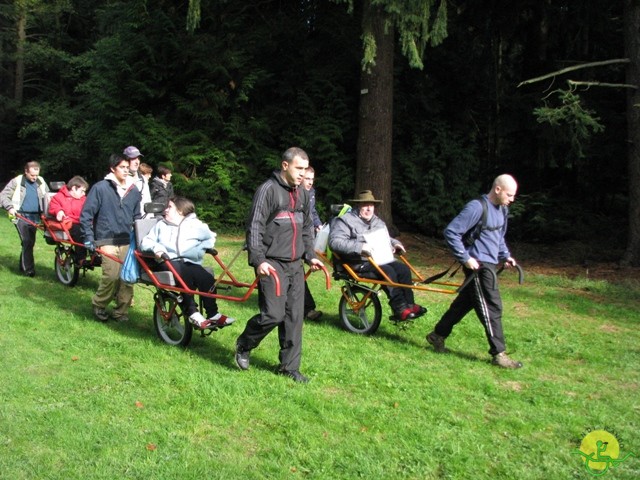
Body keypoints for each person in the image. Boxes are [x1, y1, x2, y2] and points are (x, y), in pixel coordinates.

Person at [234, 147, 323, 383]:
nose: (303, 174)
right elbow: (254, 226)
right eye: (299, 168)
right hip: (271, 263)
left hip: (295, 264)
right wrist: (259, 260)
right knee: (273, 314)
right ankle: (244, 343)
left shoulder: (302, 193)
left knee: (294, 317)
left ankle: (288, 367)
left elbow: (305, 228)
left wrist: (310, 255)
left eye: (306, 169)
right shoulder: (267, 190)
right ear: (285, 166)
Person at [425, 174, 523, 369]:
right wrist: (465, 258)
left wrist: (505, 256)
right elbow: (451, 232)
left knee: (464, 304)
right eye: (509, 195)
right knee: (492, 306)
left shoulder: (502, 210)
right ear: (497, 189)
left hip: (490, 263)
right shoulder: (477, 207)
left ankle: (437, 335)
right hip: (478, 266)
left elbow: (498, 236)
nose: (512, 199)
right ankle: (499, 353)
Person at [329, 190, 427, 321]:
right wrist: (361, 247)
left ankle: (409, 304)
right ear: (358, 206)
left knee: (403, 269)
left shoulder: (378, 222)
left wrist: (396, 244)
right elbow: (335, 242)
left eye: (371, 205)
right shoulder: (345, 221)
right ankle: (400, 308)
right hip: (357, 263)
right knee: (388, 272)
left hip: (379, 259)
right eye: (365, 205)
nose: (369, 208)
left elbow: (387, 238)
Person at [140, 196, 235, 329]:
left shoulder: (195, 225)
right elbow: (146, 241)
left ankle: (213, 314)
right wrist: (158, 249)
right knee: (184, 275)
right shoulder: (161, 225)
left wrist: (199, 249)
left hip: (188, 261)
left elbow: (211, 237)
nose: (165, 210)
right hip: (166, 260)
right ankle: (192, 312)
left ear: (180, 211)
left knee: (206, 278)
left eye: (169, 207)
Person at [80, 154, 141, 322]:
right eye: (122, 167)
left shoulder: (134, 190)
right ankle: (99, 305)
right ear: (113, 168)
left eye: (127, 168)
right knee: (112, 276)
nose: (126, 171)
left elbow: (138, 217)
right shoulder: (100, 188)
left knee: (127, 278)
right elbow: (86, 215)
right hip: (105, 239)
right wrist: (89, 237)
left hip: (126, 240)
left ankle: (121, 312)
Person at [0, 161, 50, 276]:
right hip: (19, 216)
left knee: (30, 242)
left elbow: (47, 197)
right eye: (32, 175)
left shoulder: (41, 181)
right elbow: (3, 196)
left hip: (35, 217)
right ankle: (29, 270)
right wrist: (10, 207)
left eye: (36, 175)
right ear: (26, 172)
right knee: (27, 241)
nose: (34, 177)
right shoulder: (16, 181)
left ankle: (22, 266)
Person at [48, 175, 90, 264]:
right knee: (79, 231)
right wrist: (59, 211)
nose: (84, 194)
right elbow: (54, 207)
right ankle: (81, 258)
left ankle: (95, 254)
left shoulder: (83, 199)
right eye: (82, 191)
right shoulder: (59, 197)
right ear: (74, 188)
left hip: (82, 222)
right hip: (69, 223)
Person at [302, 166, 323, 321]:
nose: (310, 182)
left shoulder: (310, 193)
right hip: (295, 238)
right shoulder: (293, 194)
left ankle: (306, 307)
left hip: (307, 236)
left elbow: (312, 212)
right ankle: (307, 309)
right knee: (296, 273)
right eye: (307, 178)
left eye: (311, 179)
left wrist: (318, 224)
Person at [123, 146, 152, 211]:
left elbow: (147, 202)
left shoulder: (143, 179)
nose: (137, 162)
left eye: (138, 158)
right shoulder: (120, 179)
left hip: (141, 219)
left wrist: (149, 219)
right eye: (133, 159)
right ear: (126, 160)